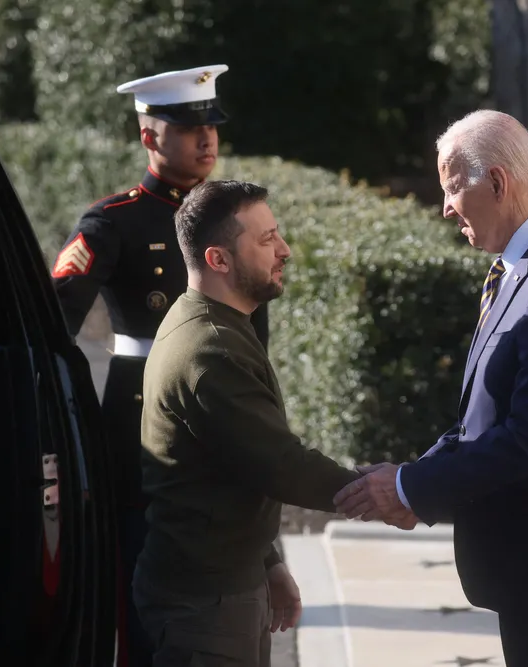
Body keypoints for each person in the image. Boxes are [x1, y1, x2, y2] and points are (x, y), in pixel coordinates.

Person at [334, 110, 528, 667]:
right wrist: (412, 480)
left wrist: (410, 488)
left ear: (498, 183)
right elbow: (482, 419)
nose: (446, 207)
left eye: (452, 187)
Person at [49, 64, 268, 667]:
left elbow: (256, 338)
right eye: (189, 128)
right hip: (141, 430)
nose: (206, 139)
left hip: (227, 416)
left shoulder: (238, 217)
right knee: (148, 595)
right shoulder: (114, 221)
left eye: (211, 126)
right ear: (149, 136)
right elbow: (52, 323)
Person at [134, 179, 361, 667]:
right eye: (266, 240)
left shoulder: (213, 322)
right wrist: (383, 492)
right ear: (218, 259)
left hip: (225, 585)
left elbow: (227, 469)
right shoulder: (211, 350)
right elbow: (279, 464)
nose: (285, 250)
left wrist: (267, 561)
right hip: (207, 604)